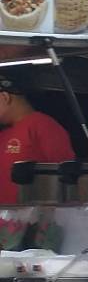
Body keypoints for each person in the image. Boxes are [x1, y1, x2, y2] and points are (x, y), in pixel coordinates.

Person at [0, 75, 76, 204]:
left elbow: (67, 173)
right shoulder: (4, 133)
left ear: (5, 97)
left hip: (34, 213)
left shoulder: (43, 125)